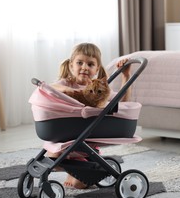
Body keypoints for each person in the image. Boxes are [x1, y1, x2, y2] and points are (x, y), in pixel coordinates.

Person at [49, 42, 131, 189]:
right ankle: (70, 166)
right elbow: (51, 87)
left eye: (90, 64)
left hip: (87, 144)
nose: (85, 67)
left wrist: (126, 76)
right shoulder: (67, 83)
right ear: (71, 65)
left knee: (80, 185)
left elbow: (123, 102)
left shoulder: (99, 89)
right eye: (80, 63)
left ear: (97, 69)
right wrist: (70, 91)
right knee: (52, 157)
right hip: (66, 138)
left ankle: (75, 169)